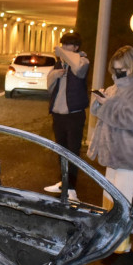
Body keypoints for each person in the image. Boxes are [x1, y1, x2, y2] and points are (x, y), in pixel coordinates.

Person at [87, 46, 133, 253]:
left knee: (123, 200)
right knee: (110, 197)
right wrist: (101, 102)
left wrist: (108, 104)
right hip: (112, 154)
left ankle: (122, 243)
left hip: (128, 155)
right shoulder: (117, 86)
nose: (117, 74)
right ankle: (111, 239)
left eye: (121, 69)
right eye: (114, 70)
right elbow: (105, 112)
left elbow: (130, 119)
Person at [44, 32, 90, 201]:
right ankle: (64, 182)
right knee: (61, 150)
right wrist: (54, 75)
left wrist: (62, 53)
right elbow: (49, 88)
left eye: (67, 45)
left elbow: (79, 70)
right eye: (62, 45)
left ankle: (72, 187)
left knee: (73, 152)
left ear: (76, 47)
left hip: (74, 115)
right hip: (58, 115)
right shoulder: (59, 64)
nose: (63, 49)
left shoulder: (83, 62)